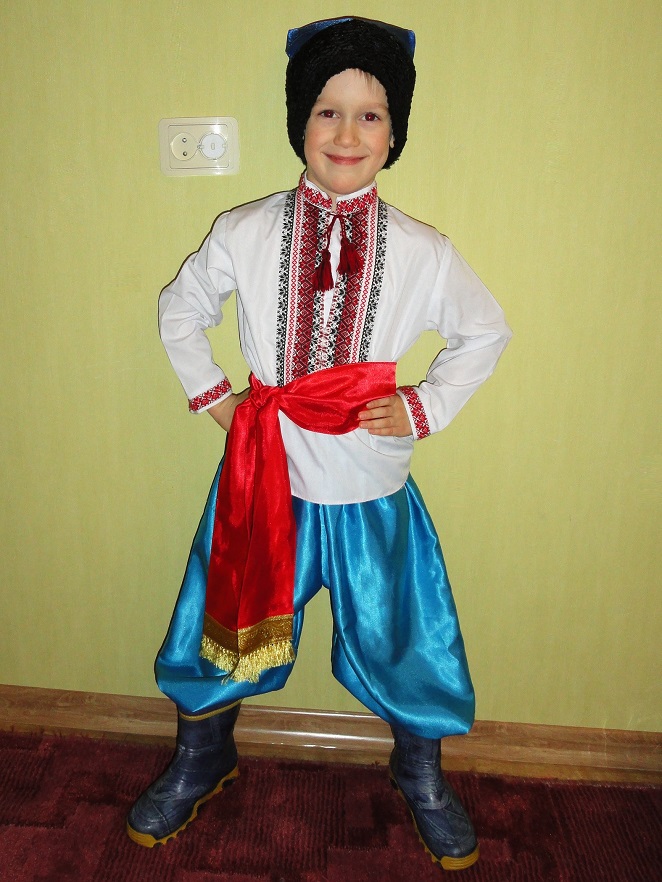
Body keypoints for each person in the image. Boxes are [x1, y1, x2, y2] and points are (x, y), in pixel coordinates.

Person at [127, 17, 511, 872]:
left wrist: (423, 406)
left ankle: (420, 771)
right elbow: (180, 310)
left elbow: (484, 333)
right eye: (327, 112)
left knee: (404, 631)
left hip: (372, 486)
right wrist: (218, 400)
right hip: (265, 481)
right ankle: (203, 754)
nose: (346, 133)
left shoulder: (424, 252)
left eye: (370, 116)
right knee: (223, 616)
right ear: (299, 122)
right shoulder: (246, 231)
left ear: (394, 133)